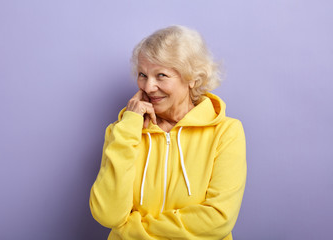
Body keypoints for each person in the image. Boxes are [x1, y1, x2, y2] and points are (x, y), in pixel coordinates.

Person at [89, 25, 246, 240]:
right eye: (143, 74)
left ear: (193, 78)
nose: (149, 86)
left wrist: (131, 231)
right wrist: (129, 126)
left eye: (161, 75)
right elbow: (108, 214)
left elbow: (217, 219)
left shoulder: (226, 132)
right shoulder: (123, 131)